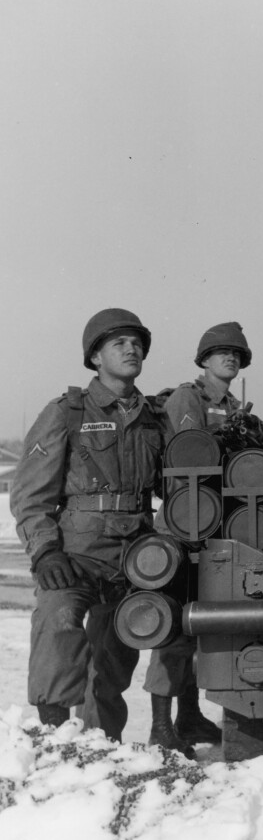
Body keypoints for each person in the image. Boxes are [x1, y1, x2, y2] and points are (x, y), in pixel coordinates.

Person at [11, 308, 163, 741]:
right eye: (119, 343)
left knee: (113, 663)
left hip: (134, 557)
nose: (131, 349)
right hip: (75, 555)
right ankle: (55, 734)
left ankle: (101, 752)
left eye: (137, 343)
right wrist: (44, 550)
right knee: (58, 622)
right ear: (95, 357)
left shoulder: (153, 418)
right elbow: (29, 493)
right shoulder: (66, 412)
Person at [144, 321, 251, 756]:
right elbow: (192, 454)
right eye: (221, 352)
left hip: (215, 528)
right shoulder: (189, 398)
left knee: (199, 629)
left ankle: (187, 718)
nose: (230, 358)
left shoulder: (234, 406)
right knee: (173, 629)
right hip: (186, 526)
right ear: (203, 360)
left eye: (237, 354)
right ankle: (159, 727)